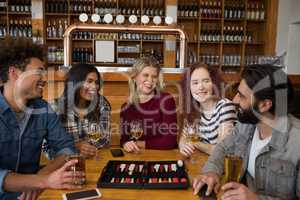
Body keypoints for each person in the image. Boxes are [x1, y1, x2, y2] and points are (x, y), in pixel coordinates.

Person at [193, 64, 299, 200]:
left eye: (241, 96)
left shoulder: (296, 142)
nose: (234, 100)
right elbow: (223, 147)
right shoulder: (246, 124)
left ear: (265, 105)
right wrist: (212, 171)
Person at [0, 37, 83, 200]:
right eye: (39, 72)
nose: (45, 79)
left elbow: (67, 148)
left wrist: (40, 180)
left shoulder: (43, 108)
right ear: (14, 73)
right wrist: (41, 181)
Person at [45, 64, 111, 158]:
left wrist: (85, 149)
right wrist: (76, 146)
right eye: (89, 81)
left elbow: (105, 140)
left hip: (93, 160)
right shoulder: (55, 107)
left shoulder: (101, 104)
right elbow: (47, 147)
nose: (94, 87)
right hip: (63, 164)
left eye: (96, 82)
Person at [120, 57, 177, 153]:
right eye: (145, 75)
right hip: (137, 157)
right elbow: (124, 140)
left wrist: (138, 144)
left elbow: (169, 141)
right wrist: (126, 144)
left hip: (164, 158)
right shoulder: (126, 107)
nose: (150, 80)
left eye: (154, 77)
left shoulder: (166, 100)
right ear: (134, 77)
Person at [179, 63, 237, 155]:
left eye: (206, 81)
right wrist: (183, 145)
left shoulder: (225, 106)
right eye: (195, 83)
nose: (201, 87)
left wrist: (195, 144)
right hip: (202, 164)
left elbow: (222, 150)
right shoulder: (194, 109)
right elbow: (183, 138)